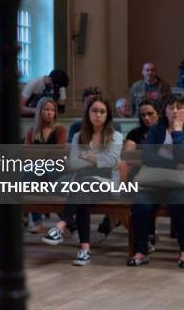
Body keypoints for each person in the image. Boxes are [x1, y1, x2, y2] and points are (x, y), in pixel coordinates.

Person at [42, 97, 123, 266]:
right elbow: (73, 163)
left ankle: (60, 226)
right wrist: (97, 159)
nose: (98, 115)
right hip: (82, 185)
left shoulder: (116, 136)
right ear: (88, 113)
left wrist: (91, 158)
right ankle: (84, 251)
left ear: (107, 115)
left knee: (81, 188)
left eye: (102, 111)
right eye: (94, 111)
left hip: (106, 183)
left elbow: (113, 161)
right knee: (82, 198)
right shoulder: (79, 136)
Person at [128, 94, 184, 267]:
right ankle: (141, 251)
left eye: (180, 107)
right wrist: (177, 166)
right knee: (140, 203)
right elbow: (148, 157)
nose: (175, 111)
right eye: (171, 107)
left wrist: (178, 131)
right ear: (165, 110)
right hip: (154, 180)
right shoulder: (157, 129)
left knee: (179, 204)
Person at [122, 99, 161, 253]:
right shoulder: (135, 133)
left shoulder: (165, 132)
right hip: (138, 177)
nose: (146, 118)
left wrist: (142, 157)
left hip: (161, 178)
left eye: (150, 114)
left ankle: (149, 235)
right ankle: (145, 240)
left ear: (158, 113)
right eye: (143, 115)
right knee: (141, 197)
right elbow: (128, 156)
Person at [24, 97, 67, 233]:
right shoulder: (32, 131)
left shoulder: (60, 129)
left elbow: (59, 152)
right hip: (36, 168)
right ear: (40, 111)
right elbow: (26, 152)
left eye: (52, 110)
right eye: (47, 109)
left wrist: (40, 156)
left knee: (39, 174)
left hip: (56, 167)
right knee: (27, 175)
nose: (50, 113)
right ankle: (37, 221)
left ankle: (67, 221)